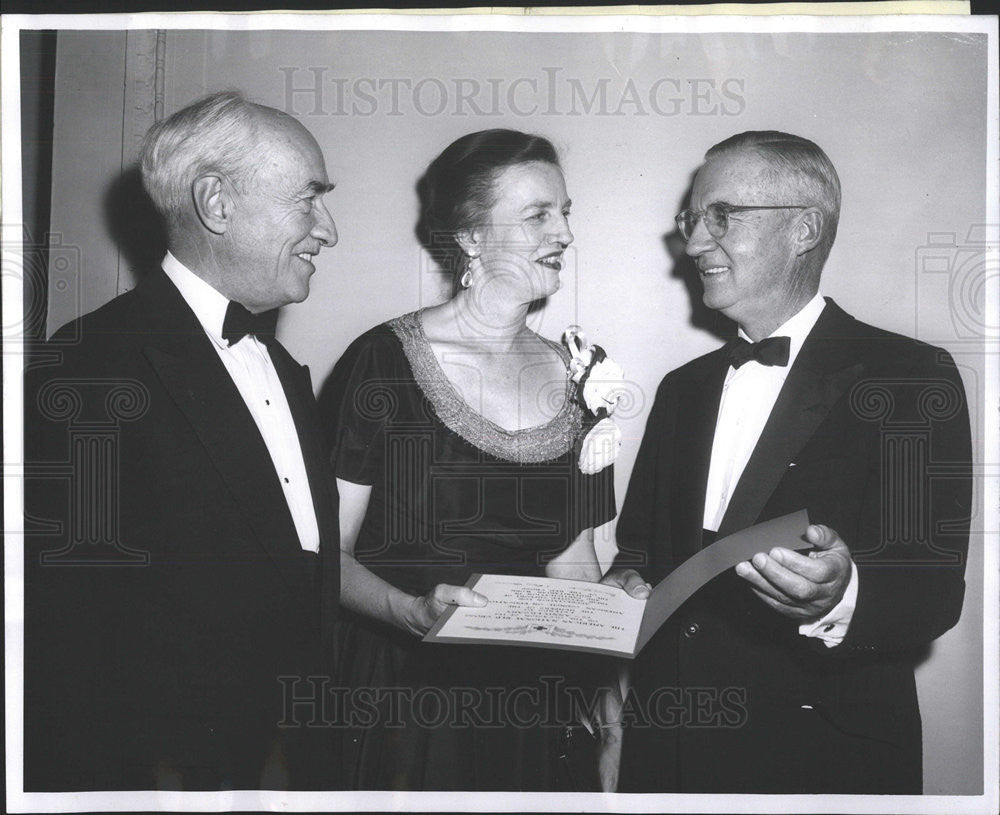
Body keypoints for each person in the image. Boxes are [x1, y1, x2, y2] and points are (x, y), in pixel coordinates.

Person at [604, 131, 972, 794]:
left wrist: (843, 591)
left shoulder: (912, 376)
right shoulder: (681, 388)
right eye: (693, 220)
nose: (692, 245)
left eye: (721, 217)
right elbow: (638, 551)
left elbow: (932, 590)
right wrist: (626, 583)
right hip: (669, 757)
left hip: (818, 763)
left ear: (804, 228)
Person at [24, 91, 341, 790]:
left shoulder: (283, 369)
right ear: (217, 204)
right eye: (308, 200)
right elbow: (62, 636)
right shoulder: (93, 363)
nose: (329, 230)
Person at [319, 129, 618, 791]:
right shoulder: (382, 363)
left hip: (532, 709)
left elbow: (572, 565)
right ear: (472, 237)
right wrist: (407, 610)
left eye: (564, 212)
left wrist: (608, 687)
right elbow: (322, 553)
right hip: (402, 699)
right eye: (537, 215)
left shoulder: (576, 377)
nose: (563, 233)